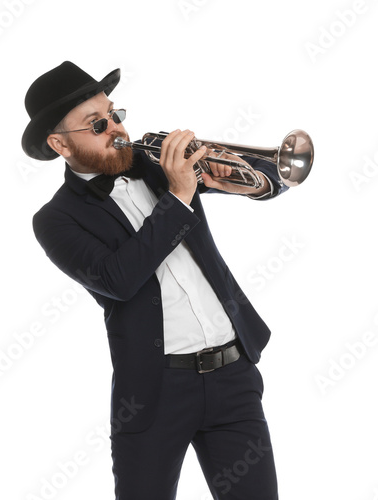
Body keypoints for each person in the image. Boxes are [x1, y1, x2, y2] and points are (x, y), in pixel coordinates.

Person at [22, 61, 288, 500]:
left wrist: (250, 184)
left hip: (233, 375)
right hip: (152, 394)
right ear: (58, 144)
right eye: (97, 124)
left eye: (116, 114)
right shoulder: (55, 220)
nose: (117, 129)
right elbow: (119, 279)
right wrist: (181, 195)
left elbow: (272, 177)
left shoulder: (153, 163)